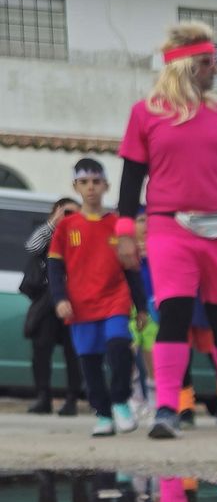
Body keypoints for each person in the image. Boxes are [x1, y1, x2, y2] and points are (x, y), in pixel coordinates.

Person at [115, 21, 217, 439]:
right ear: (184, 67)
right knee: (174, 314)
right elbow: (132, 178)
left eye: (214, 63)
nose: (215, 71)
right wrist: (125, 230)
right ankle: (167, 407)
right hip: (169, 226)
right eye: (207, 63)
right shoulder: (145, 113)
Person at [46, 159, 149, 436]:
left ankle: (120, 401)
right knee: (90, 363)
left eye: (96, 182)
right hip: (80, 305)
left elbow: (132, 270)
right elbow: (55, 269)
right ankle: (103, 414)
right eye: (84, 182)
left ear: (106, 185)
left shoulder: (118, 225)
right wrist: (60, 299)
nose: (90, 188)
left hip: (115, 301)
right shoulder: (67, 227)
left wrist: (141, 307)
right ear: (76, 187)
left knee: (119, 349)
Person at [22, 197, 84, 416]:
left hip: (76, 302)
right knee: (41, 348)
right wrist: (53, 224)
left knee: (73, 352)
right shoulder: (49, 234)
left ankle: (71, 400)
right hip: (48, 302)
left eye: (73, 213)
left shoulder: (82, 235)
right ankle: (43, 397)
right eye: (65, 212)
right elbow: (31, 247)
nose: (68, 217)